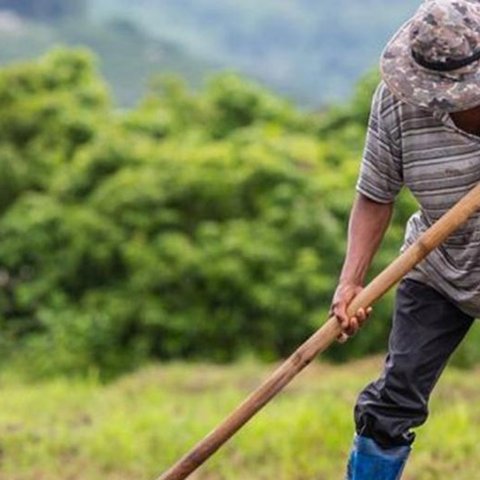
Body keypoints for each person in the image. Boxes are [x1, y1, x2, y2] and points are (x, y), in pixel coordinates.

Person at [331, 1, 480, 478]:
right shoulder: (397, 102)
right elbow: (375, 193)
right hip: (438, 267)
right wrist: (350, 283)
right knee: (391, 403)